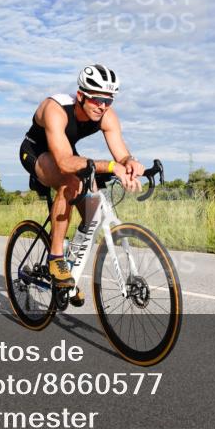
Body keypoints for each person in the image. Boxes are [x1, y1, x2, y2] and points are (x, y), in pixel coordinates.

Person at [19, 64, 144, 306]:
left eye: (109, 100)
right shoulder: (55, 109)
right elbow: (65, 163)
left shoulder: (107, 114)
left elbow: (120, 154)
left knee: (93, 210)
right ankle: (56, 258)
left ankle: (70, 272)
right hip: (37, 151)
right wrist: (109, 167)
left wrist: (130, 163)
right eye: (97, 99)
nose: (103, 106)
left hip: (66, 150)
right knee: (71, 182)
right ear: (81, 96)